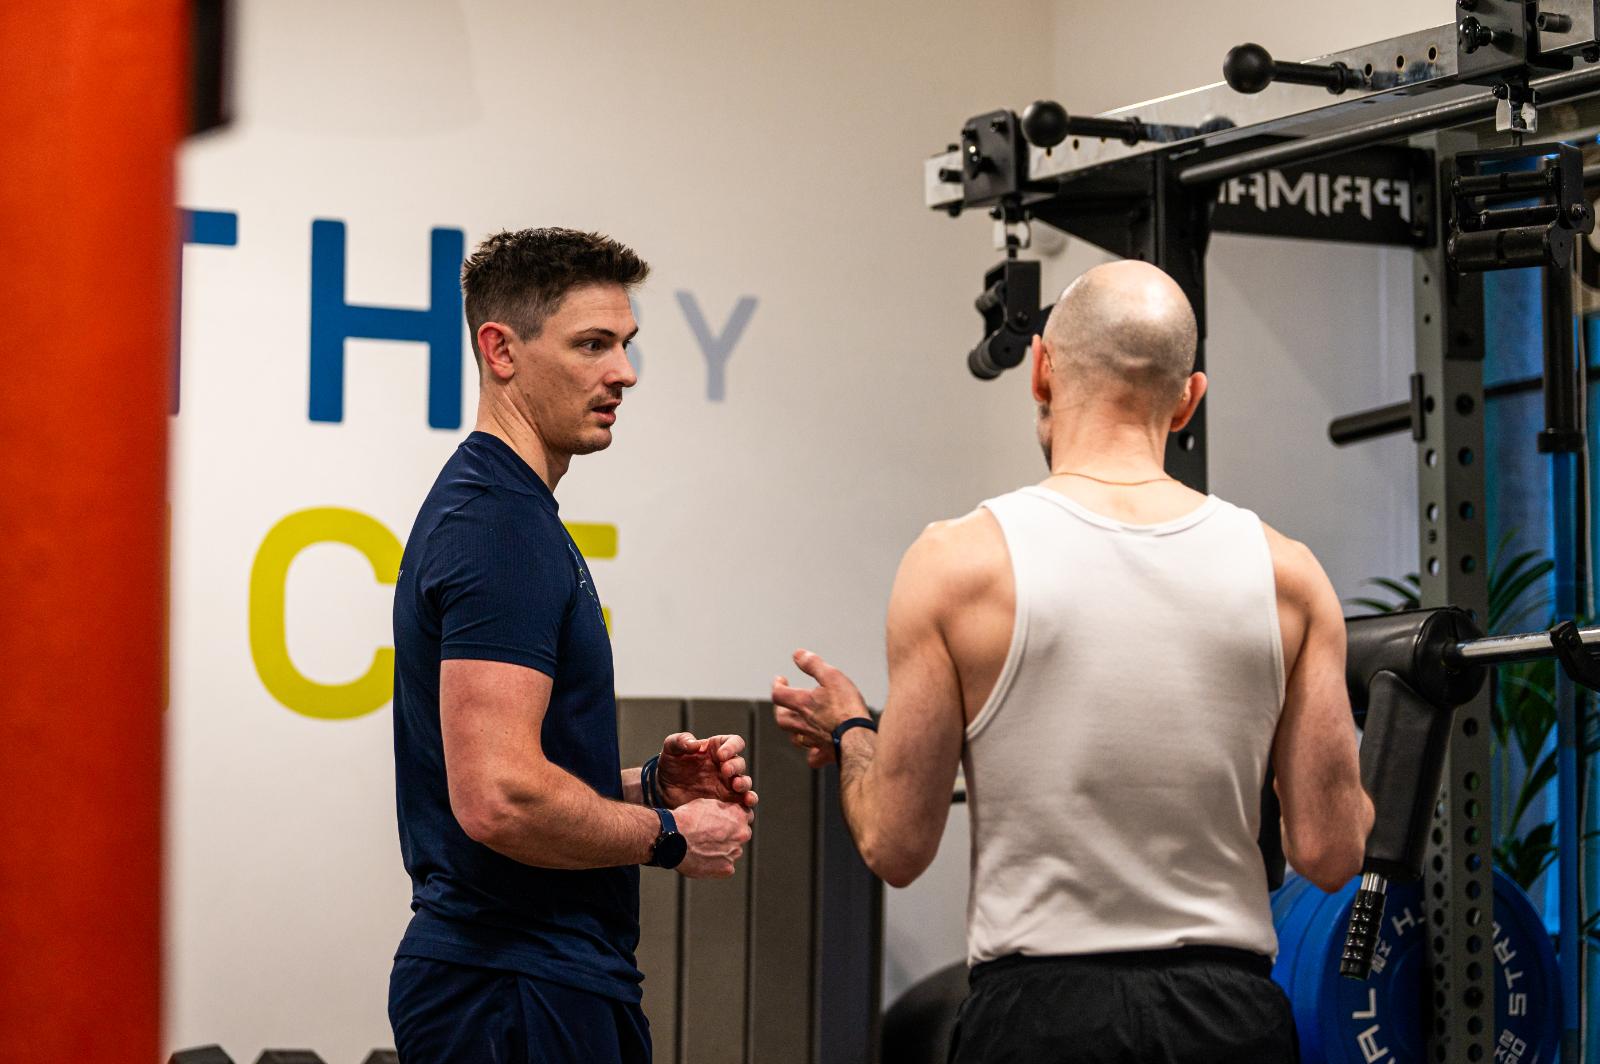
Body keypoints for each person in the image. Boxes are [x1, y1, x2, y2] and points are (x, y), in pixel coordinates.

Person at [771, 260, 1373, 1063]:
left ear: (1041, 371)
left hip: (1040, 1021)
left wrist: (852, 730)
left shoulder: (958, 565)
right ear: (1190, 398)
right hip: (1227, 1019)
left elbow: (895, 845)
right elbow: (1331, 854)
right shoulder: (1289, 576)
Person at [388, 228, 756, 1064]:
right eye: (592, 345)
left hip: (539, 983)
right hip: (513, 990)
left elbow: (487, 778)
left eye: (626, 345)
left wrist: (651, 786)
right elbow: (499, 799)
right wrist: (669, 834)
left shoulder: (514, 516)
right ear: (501, 351)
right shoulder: (496, 527)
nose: (623, 372)